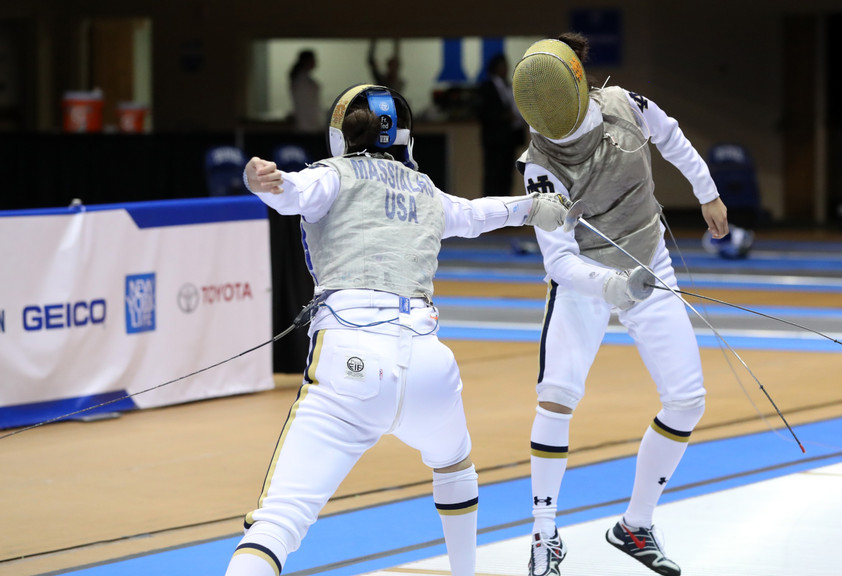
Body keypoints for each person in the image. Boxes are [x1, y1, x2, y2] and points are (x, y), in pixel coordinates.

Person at [224, 84, 571, 576]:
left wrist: (260, 178)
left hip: (350, 365)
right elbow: (474, 215)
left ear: (340, 134)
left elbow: (291, 191)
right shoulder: (424, 187)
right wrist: (532, 208)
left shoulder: (331, 174)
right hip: (430, 367)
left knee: (277, 523)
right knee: (455, 467)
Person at [511, 34, 731, 576]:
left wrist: (707, 192)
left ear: (581, 84)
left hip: (648, 258)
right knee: (556, 400)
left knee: (687, 400)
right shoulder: (540, 166)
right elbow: (560, 263)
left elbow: (674, 138)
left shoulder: (627, 105)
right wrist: (612, 286)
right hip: (585, 283)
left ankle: (635, 524)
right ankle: (544, 540)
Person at [477, 53, 526, 197]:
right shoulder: (486, 87)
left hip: (509, 139)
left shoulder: (508, 86)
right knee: (493, 175)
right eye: (502, 66)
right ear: (495, 68)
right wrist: (503, 116)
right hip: (494, 140)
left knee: (506, 176)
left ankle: (505, 204)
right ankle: (490, 205)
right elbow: (483, 112)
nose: (505, 69)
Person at [289, 49, 321, 132]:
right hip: (306, 124)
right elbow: (305, 105)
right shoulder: (300, 81)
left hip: (310, 122)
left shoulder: (304, 79)